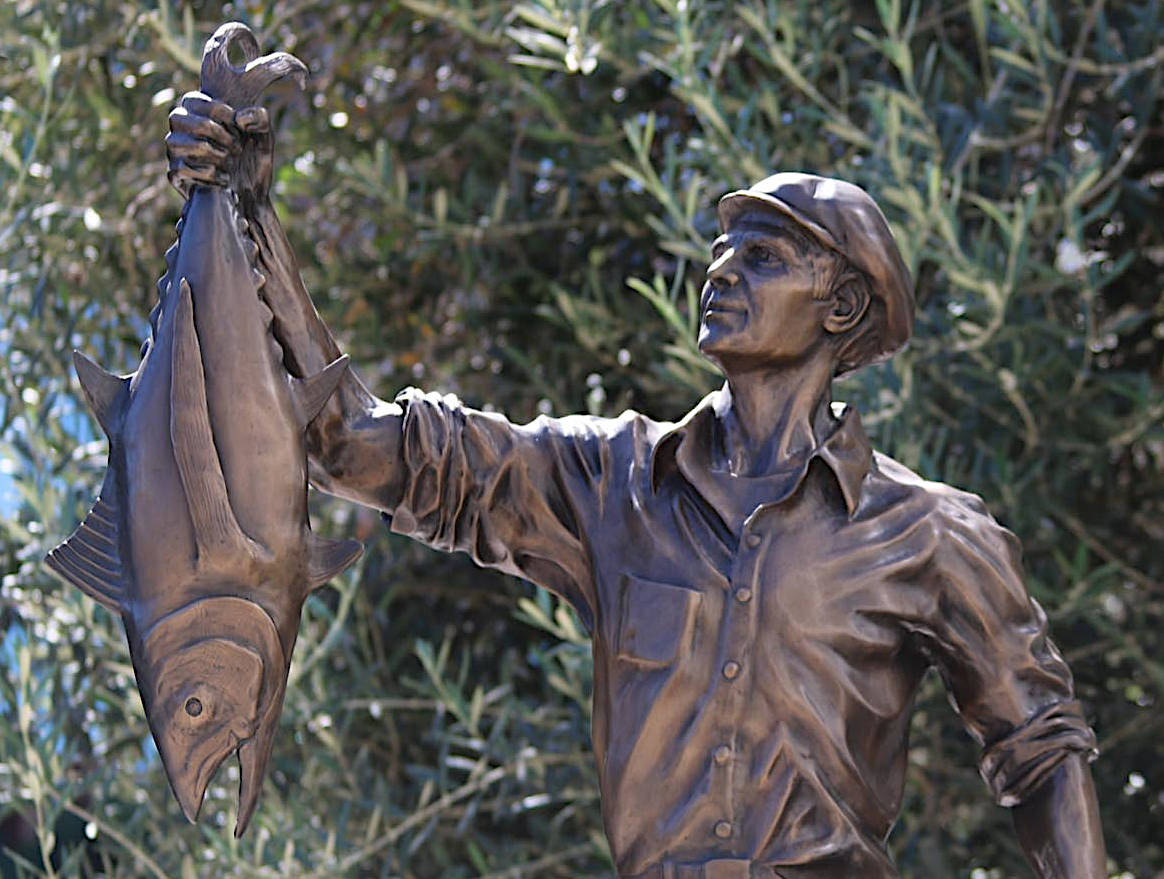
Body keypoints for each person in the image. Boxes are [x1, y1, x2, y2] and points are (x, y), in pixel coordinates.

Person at [167, 91, 1107, 878]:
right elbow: (353, 444)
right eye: (723, 251)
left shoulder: (930, 533)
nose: (722, 270)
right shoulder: (609, 481)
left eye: (765, 257)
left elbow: (1043, 751)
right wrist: (245, 214)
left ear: (845, 306)